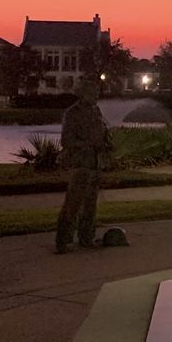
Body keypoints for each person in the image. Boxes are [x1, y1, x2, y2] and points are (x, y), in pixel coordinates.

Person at [55, 77, 112, 253]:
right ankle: (63, 241)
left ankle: (86, 237)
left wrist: (106, 141)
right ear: (82, 94)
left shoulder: (96, 111)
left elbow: (101, 131)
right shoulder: (72, 113)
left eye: (97, 92)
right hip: (80, 163)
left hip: (95, 163)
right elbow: (67, 140)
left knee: (90, 204)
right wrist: (88, 144)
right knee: (73, 203)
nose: (97, 95)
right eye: (93, 92)